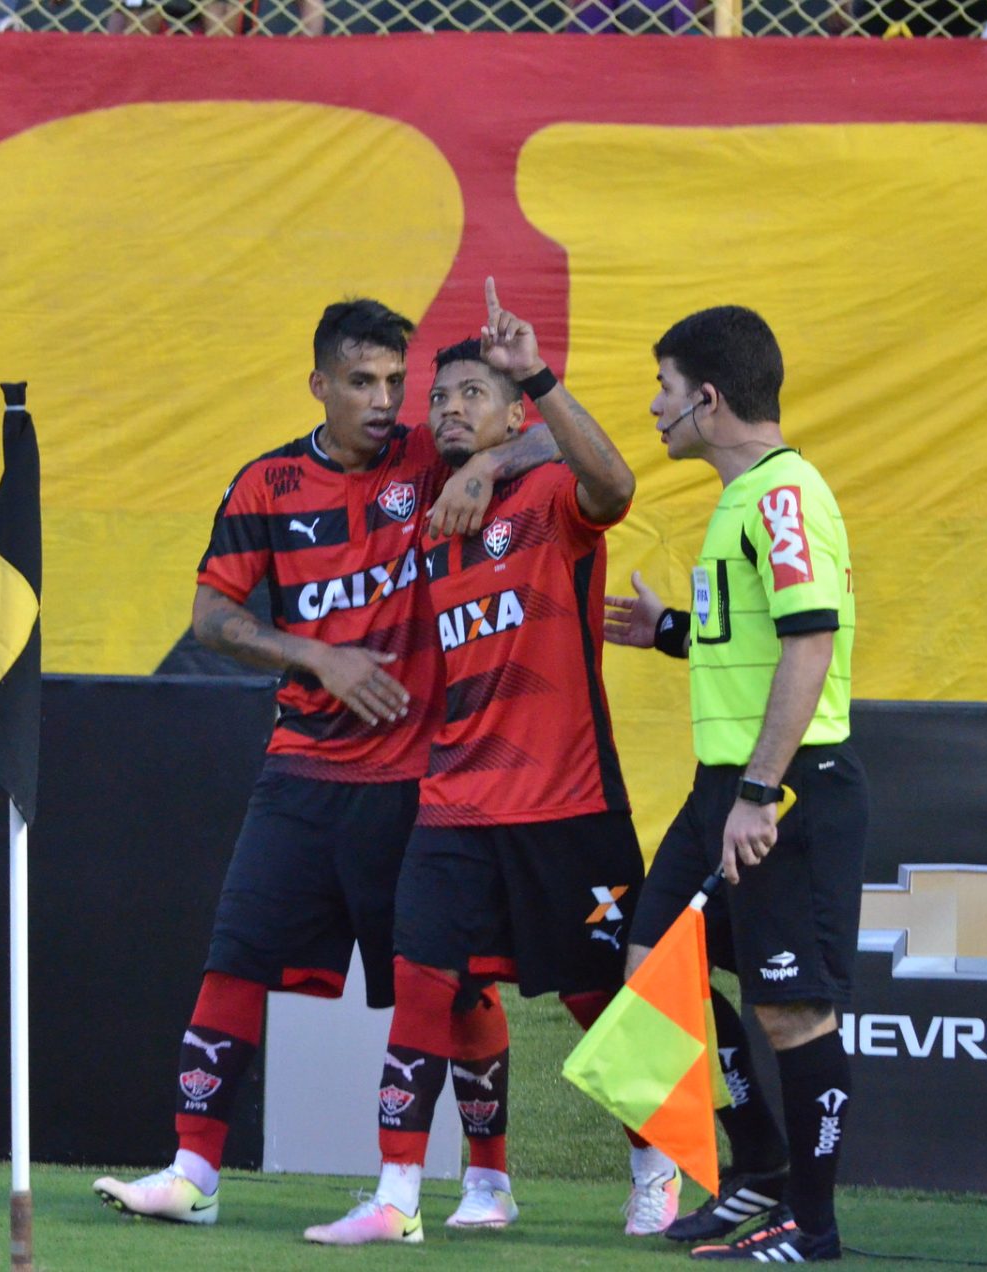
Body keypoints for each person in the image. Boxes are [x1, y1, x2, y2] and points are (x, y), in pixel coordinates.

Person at [92, 298, 559, 1228]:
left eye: (395, 381)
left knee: (454, 983)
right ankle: (193, 1174)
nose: (385, 401)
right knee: (234, 959)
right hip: (301, 769)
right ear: (319, 385)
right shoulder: (266, 485)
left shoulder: (432, 454)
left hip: (423, 777)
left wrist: (488, 465)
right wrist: (316, 657)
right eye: (361, 382)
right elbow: (211, 618)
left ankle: (489, 1181)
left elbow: (562, 446)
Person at [302, 282, 677, 1245]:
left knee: (604, 1003)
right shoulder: (427, 506)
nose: (449, 409)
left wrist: (529, 393)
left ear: (513, 413)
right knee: (426, 983)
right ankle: (398, 1195)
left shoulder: (550, 496)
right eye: (441, 397)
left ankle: (657, 1165)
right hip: (455, 799)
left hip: (567, 801)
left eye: (474, 394)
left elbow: (614, 483)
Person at [605, 306, 864, 1263]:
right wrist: (673, 631)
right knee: (652, 972)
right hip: (724, 787)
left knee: (791, 1009)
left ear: (707, 399)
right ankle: (757, 1168)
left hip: (784, 792)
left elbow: (811, 643)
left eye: (664, 389)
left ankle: (814, 1224)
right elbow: (757, 639)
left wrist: (759, 793)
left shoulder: (783, 496)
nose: (654, 407)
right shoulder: (741, 499)